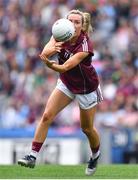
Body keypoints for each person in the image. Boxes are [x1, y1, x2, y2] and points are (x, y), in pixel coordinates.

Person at [18, 9, 103, 176]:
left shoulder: (84, 45)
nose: (72, 24)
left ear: (82, 27)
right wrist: (48, 52)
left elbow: (64, 66)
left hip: (86, 88)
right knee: (47, 116)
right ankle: (32, 156)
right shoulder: (60, 32)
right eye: (70, 20)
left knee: (86, 128)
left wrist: (49, 64)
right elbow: (46, 51)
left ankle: (95, 155)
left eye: (76, 22)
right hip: (66, 83)